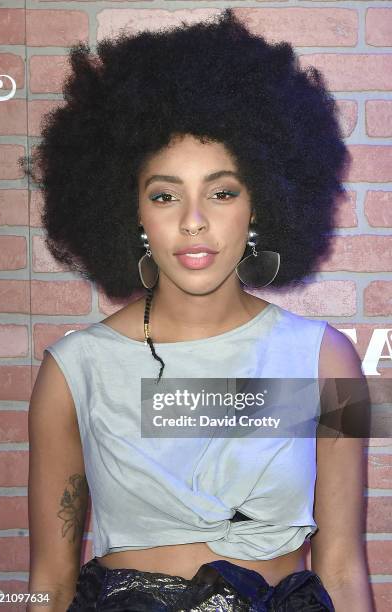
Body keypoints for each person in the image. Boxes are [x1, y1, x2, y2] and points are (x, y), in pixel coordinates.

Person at [25, 8, 373, 611]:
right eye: (165, 195)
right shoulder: (74, 371)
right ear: (131, 212)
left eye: (221, 191)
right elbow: (49, 584)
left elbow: (342, 567)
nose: (193, 221)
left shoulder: (326, 359)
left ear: (259, 203)